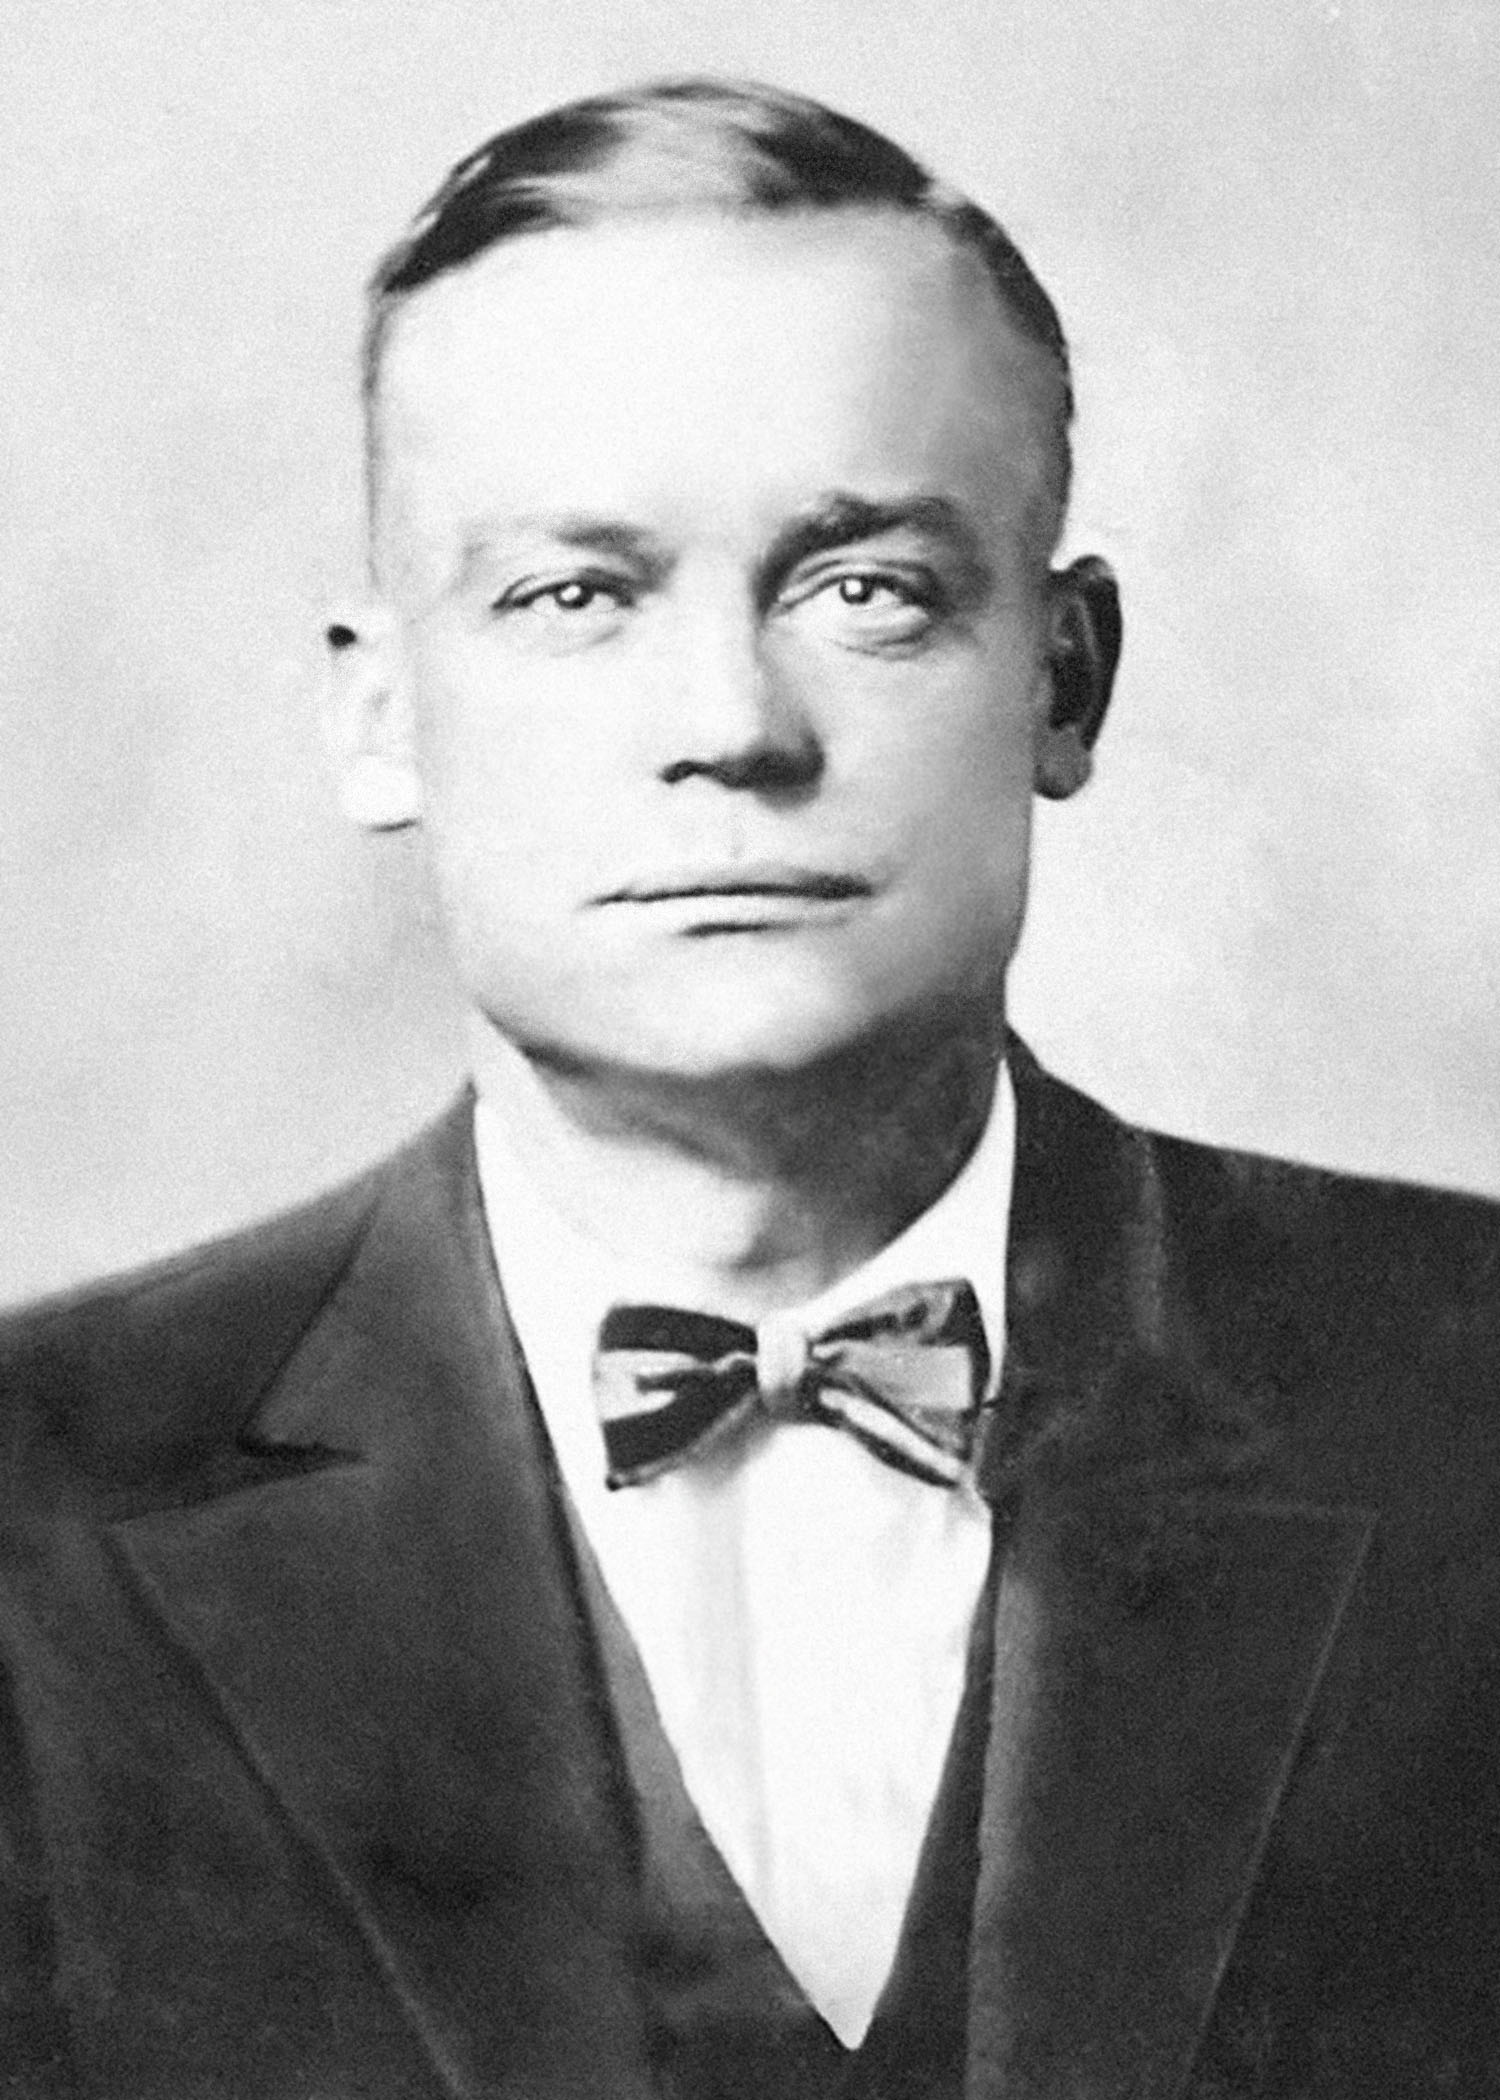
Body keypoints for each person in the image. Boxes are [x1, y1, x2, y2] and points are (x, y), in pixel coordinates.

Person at [1, 76, 1497, 2100]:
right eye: (574, 596)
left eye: (865, 589)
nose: (729, 724)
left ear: (1063, 679)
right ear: (381, 715)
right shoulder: (37, 1496)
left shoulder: (1464, 1393)